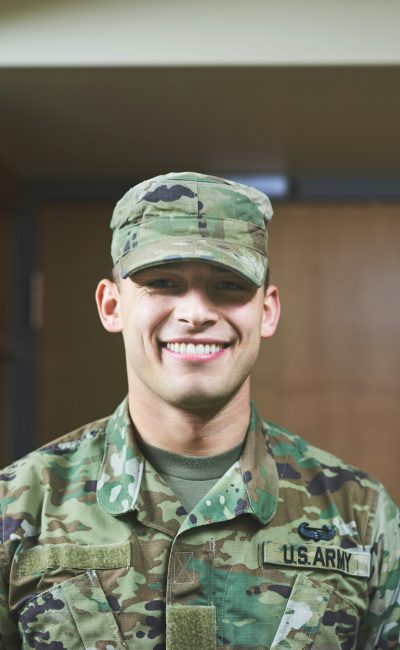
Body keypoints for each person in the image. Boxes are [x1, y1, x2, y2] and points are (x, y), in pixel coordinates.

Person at [0, 172, 399, 650]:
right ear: (112, 306)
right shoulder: (19, 506)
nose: (195, 313)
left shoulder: (360, 514)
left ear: (267, 311)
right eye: (163, 282)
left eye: (228, 285)